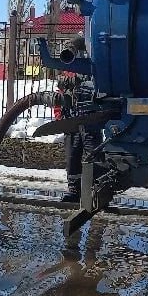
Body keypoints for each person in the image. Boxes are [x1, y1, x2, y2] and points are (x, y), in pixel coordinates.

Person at [57, 35, 101, 205]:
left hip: (91, 116)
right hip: (72, 116)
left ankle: (95, 191)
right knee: (72, 155)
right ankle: (74, 191)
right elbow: (61, 91)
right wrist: (60, 113)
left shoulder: (93, 64)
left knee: (93, 154)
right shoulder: (70, 67)